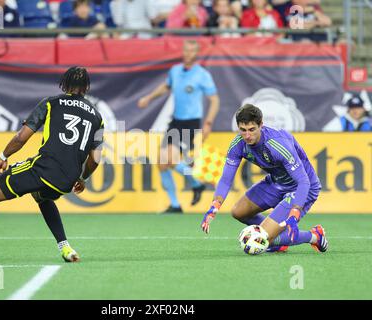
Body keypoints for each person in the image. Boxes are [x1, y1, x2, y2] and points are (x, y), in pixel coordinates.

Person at [0, 67, 105, 265]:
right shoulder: (98, 117)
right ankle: (66, 248)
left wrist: (3, 156)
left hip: (45, 168)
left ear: (64, 84)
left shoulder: (51, 103)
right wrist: (82, 178)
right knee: (42, 196)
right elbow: (96, 158)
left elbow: (22, 138)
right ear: (87, 87)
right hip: (68, 179)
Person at [201, 104, 328, 253]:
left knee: (264, 239)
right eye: (243, 130)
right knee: (238, 212)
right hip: (276, 182)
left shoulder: (277, 144)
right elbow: (225, 179)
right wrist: (214, 206)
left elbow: (303, 181)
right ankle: (277, 236)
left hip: (302, 187)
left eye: (252, 130)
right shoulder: (238, 144)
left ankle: (314, 236)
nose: (247, 135)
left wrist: (295, 212)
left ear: (261, 125)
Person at [138, 39, 220, 213]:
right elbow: (166, 87)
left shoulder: (202, 74)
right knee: (161, 162)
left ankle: (196, 183)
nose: (188, 53)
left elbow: (214, 100)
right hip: (175, 121)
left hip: (191, 123)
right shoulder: (175, 71)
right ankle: (177, 203)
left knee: (171, 160)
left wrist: (208, 123)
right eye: (186, 50)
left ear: (197, 53)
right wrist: (148, 97)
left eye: (192, 50)